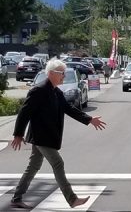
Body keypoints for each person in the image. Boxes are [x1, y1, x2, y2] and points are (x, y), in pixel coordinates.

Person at [10, 59, 107, 209]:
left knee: (33, 166)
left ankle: (17, 198)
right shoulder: (38, 90)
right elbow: (24, 112)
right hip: (41, 136)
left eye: (64, 73)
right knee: (58, 163)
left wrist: (89, 119)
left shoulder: (56, 92)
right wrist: (18, 134)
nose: (63, 76)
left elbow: (69, 109)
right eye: (61, 73)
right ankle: (72, 199)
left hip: (47, 136)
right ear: (50, 74)